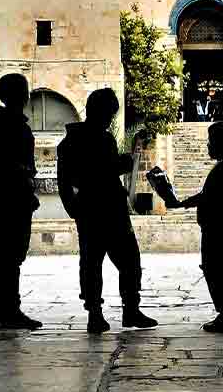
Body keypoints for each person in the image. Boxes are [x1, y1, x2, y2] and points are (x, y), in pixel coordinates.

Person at [56, 88, 158, 334]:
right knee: (106, 262)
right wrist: (120, 165)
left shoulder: (89, 140)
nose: (110, 120)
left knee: (114, 261)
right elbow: (87, 174)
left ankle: (119, 310)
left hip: (102, 209)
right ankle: (105, 312)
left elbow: (69, 180)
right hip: (100, 209)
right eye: (109, 114)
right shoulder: (87, 141)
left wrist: (74, 207)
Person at [169, 120, 223, 332]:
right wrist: (183, 203)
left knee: (216, 270)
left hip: (217, 229)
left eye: (211, 141)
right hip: (217, 228)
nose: (208, 146)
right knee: (215, 270)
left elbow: (208, 198)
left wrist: (182, 203)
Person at [0, 73, 42, 329]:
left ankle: (1, 308)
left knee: (7, 255)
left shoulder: (2, 128)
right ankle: (6, 309)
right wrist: (19, 175)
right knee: (8, 255)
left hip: (11, 198)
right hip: (11, 200)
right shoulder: (6, 129)